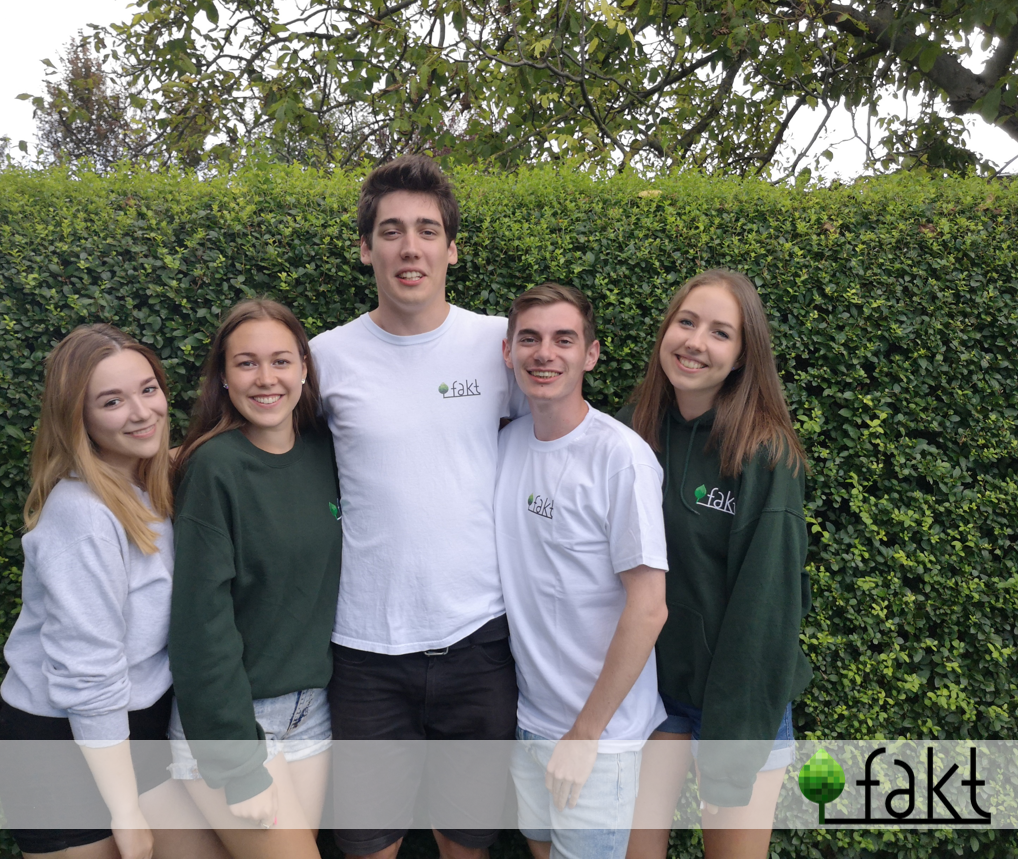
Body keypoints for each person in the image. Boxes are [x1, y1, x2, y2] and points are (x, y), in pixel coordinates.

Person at [309, 154, 525, 859]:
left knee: (467, 842)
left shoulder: (498, 346)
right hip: (364, 650)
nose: (410, 247)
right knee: (368, 843)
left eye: (428, 230)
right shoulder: (323, 358)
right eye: (392, 230)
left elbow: (558, 440)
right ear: (365, 248)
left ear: (451, 249)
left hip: (480, 640)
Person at [0, 323, 225, 859]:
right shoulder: (84, 517)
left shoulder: (148, 481)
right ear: (78, 418)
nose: (141, 412)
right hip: (60, 741)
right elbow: (88, 671)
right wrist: (125, 811)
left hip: (135, 724)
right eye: (112, 401)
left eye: (148, 389)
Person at [620, 270, 813, 859]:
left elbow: (766, 613)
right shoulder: (631, 433)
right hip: (651, 697)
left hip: (736, 706)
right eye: (686, 322)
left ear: (743, 356)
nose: (695, 342)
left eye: (720, 333)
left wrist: (730, 754)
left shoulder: (765, 455)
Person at [496, 283, 670, 859]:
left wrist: (585, 734)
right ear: (508, 352)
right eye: (530, 339)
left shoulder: (620, 458)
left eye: (564, 339)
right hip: (530, 720)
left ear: (590, 354)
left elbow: (649, 607)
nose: (545, 353)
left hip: (599, 737)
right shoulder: (506, 444)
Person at [167, 299, 342, 859]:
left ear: (304, 369)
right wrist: (237, 763)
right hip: (238, 722)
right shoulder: (214, 467)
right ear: (223, 376)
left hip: (310, 710)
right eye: (246, 363)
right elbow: (201, 625)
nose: (266, 379)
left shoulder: (326, 451)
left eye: (281, 361)